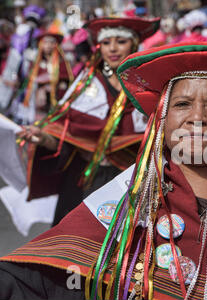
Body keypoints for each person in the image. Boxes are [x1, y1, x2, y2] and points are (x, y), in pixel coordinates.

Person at [0, 42, 207, 300]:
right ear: (162, 119)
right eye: (182, 104)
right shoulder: (131, 192)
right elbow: (45, 275)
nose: (197, 117)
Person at [15, 17, 160, 227]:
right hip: (85, 179)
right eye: (107, 42)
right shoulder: (86, 83)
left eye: (121, 41)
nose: (113, 49)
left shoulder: (148, 86)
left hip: (132, 179)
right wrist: (43, 138)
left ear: (134, 44)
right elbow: (63, 131)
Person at [8, 30, 74, 124]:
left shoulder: (62, 62)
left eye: (51, 42)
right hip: (35, 99)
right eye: (45, 42)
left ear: (56, 45)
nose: (48, 45)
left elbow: (65, 80)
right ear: (41, 44)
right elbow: (29, 79)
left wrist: (53, 86)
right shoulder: (35, 61)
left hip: (54, 98)